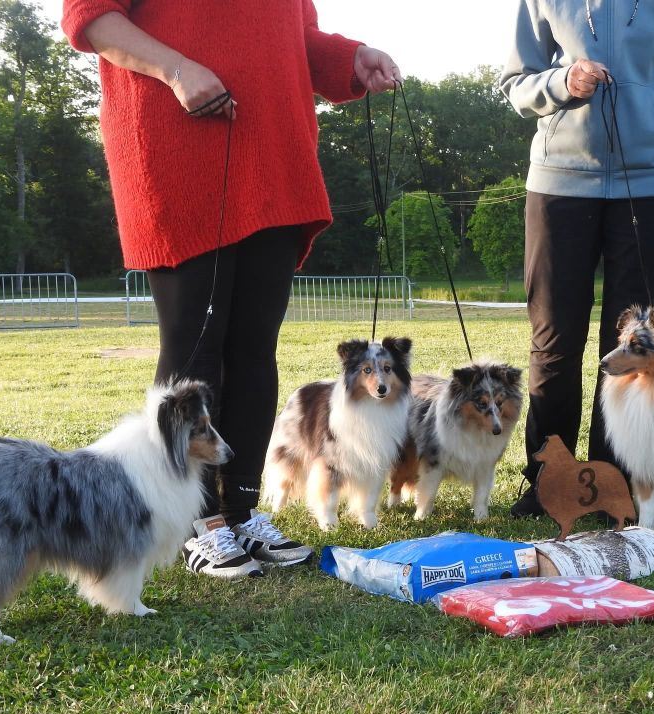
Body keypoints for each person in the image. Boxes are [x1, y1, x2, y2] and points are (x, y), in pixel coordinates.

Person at [61, 0, 400, 577]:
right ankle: (195, 519)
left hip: (275, 159)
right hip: (180, 150)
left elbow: (297, 39)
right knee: (196, 348)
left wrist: (352, 58)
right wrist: (176, 70)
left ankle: (240, 511)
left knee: (254, 347)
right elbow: (90, 17)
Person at [499, 0, 654, 517]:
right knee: (553, 342)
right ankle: (549, 482)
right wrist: (562, 81)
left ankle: (614, 482)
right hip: (558, 184)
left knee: (630, 345)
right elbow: (515, 83)